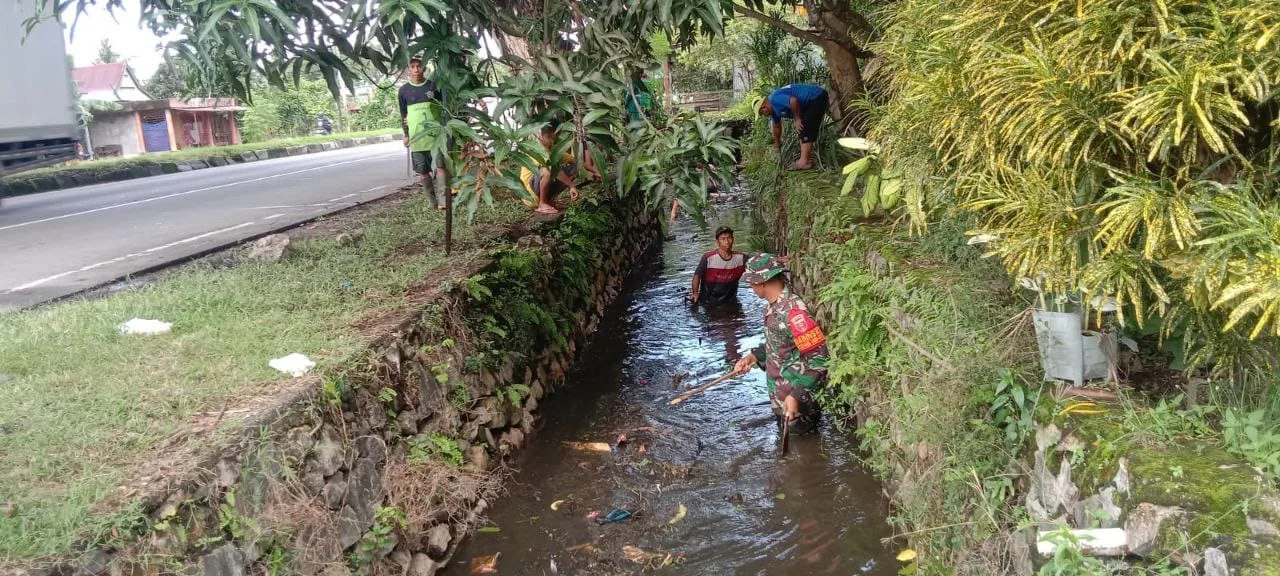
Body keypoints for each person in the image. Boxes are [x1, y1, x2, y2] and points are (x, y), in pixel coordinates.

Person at [733, 253, 829, 432]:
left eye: (752, 282)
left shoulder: (794, 313)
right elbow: (780, 345)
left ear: (762, 281)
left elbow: (820, 360)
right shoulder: (774, 307)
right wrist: (752, 357)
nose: (751, 287)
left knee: (800, 448)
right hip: (782, 401)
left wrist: (796, 396)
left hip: (798, 408)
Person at [520, 123, 602, 215]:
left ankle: (549, 201)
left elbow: (576, 161)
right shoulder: (536, 150)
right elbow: (555, 170)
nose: (551, 140)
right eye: (548, 137)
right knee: (548, 168)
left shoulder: (553, 149)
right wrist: (571, 186)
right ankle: (542, 204)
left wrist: (596, 172)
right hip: (530, 195)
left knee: (575, 168)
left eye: (553, 137)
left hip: (538, 188)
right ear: (539, 137)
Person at [398, 56, 447, 209]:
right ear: (408, 69)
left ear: (424, 68)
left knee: (440, 167)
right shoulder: (403, 91)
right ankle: (432, 202)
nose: (416, 69)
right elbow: (403, 114)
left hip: (436, 136)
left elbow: (443, 108)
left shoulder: (433, 86)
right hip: (417, 138)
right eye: (412, 66)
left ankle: (444, 201)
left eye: (418, 66)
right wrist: (406, 135)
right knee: (423, 171)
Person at [757, 83, 830, 171]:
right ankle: (805, 160)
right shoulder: (773, 111)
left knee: (804, 126)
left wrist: (797, 119)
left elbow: (793, 100)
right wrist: (777, 141)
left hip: (816, 96)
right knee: (803, 128)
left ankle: (804, 162)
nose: (764, 115)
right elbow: (777, 126)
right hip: (811, 102)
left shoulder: (774, 99)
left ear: (764, 107)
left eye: (762, 113)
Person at [691, 226, 746, 305]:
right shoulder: (708, 258)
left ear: (733, 239)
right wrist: (695, 293)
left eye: (729, 238)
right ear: (717, 242)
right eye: (723, 239)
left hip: (731, 301)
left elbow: (756, 266)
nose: (727, 242)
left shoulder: (741, 258)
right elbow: (697, 276)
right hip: (708, 301)